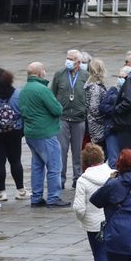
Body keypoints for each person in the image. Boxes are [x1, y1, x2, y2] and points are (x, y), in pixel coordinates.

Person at [20, 62, 66, 207]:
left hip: (31, 133)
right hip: (45, 132)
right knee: (54, 167)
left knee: (37, 166)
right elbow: (57, 110)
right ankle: (53, 197)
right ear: (40, 73)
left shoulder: (24, 90)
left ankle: (36, 197)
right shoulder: (42, 90)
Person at [72, 143, 114, 261]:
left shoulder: (83, 180)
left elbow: (79, 207)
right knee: (115, 254)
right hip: (112, 220)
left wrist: (82, 219)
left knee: (99, 255)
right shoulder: (113, 174)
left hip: (94, 224)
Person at [0, 68, 27, 201]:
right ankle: (20, 190)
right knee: (15, 161)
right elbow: (24, 114)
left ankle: (2, 192)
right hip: (15, 132)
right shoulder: (18, 94)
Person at [50, 49, 88, 190]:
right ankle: (60, 180)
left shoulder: (85, 75)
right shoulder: (59, 74)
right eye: (67, 58)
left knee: (78, 152)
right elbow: (52, 94)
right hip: (62, 118)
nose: (68, 61)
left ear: (78, 62)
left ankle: (78, 179)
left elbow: (89, 96)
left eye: (71, 59)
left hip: (79, 119)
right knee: (61, 150)